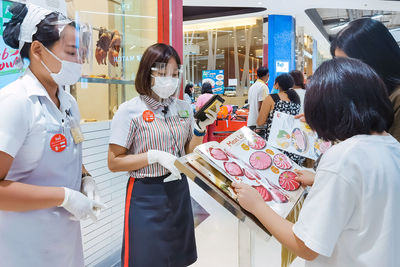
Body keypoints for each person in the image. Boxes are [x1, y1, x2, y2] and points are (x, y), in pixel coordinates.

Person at [233, 57, 400, 267]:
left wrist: (257, 205)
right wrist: (320, 178)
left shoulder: (343, 157)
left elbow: (305, 245)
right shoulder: (391, 145)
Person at [0, 3, 105, 267]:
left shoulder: (67, 101)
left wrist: (85, 178)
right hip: (22, 248)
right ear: (37, 50)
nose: (79, 63)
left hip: (63, 243)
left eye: (82, 54)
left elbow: (63, 151)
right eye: (72, 52)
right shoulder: (15, 102)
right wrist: (64, 196)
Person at [107, 43, 217, 267]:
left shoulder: (183, 107)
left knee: (177, 257)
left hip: (178, 189)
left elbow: (188, 153)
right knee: (146, 258)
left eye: (175, 74)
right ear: (147, 72)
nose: (170, 79)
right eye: (163, 73)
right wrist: (152, 156)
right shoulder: (129, 110)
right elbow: (114, 162)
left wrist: (199, 129)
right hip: (145, 193)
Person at [330, 18, 400, 142]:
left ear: (375, 60)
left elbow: (390, 157)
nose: (343, 72)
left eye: (349, 65)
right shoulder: (367, 93)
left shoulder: (396, 98)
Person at [256, 73, 304, 165]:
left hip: (275, 141)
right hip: (291, 141)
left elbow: (260, 122)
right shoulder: (296, 99)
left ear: (277, 84)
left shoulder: (272, 98)